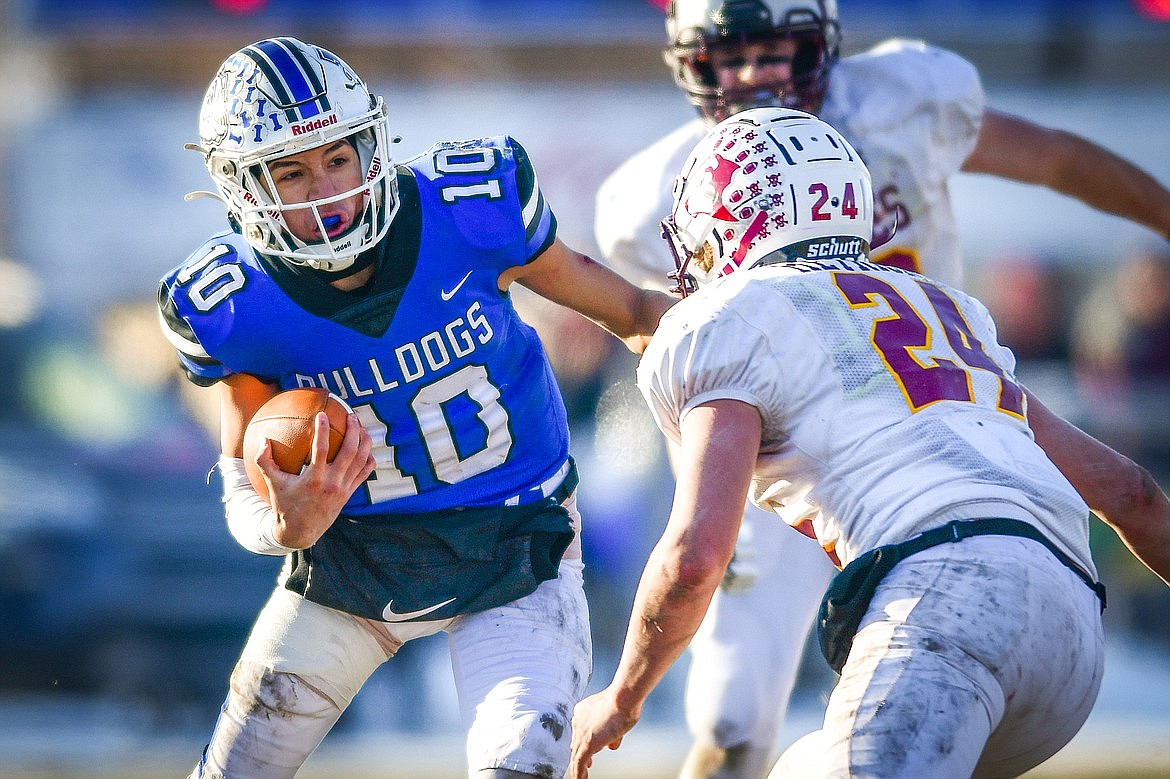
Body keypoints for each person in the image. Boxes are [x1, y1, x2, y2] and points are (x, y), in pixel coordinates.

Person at [593, 3, 1170, 776]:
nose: (758, 74)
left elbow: (693, 548)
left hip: (934, 552)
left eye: (777, 48)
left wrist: (621, 698)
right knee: (759, 733)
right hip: (1003, 489)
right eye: (734, 53)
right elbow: (1132, 491)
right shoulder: (962, 311)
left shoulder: (728, 306)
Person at [157, 37, 673, 779]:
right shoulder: (232, 302)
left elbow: (629, 310)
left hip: (514, 540)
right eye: (292, 172)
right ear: (243, 188)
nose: (327, 189)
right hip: (354, 557)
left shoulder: (469, 210)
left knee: (519, 764)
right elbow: (242, 474)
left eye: (339, 157)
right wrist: (280, 524)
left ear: (373, 142)